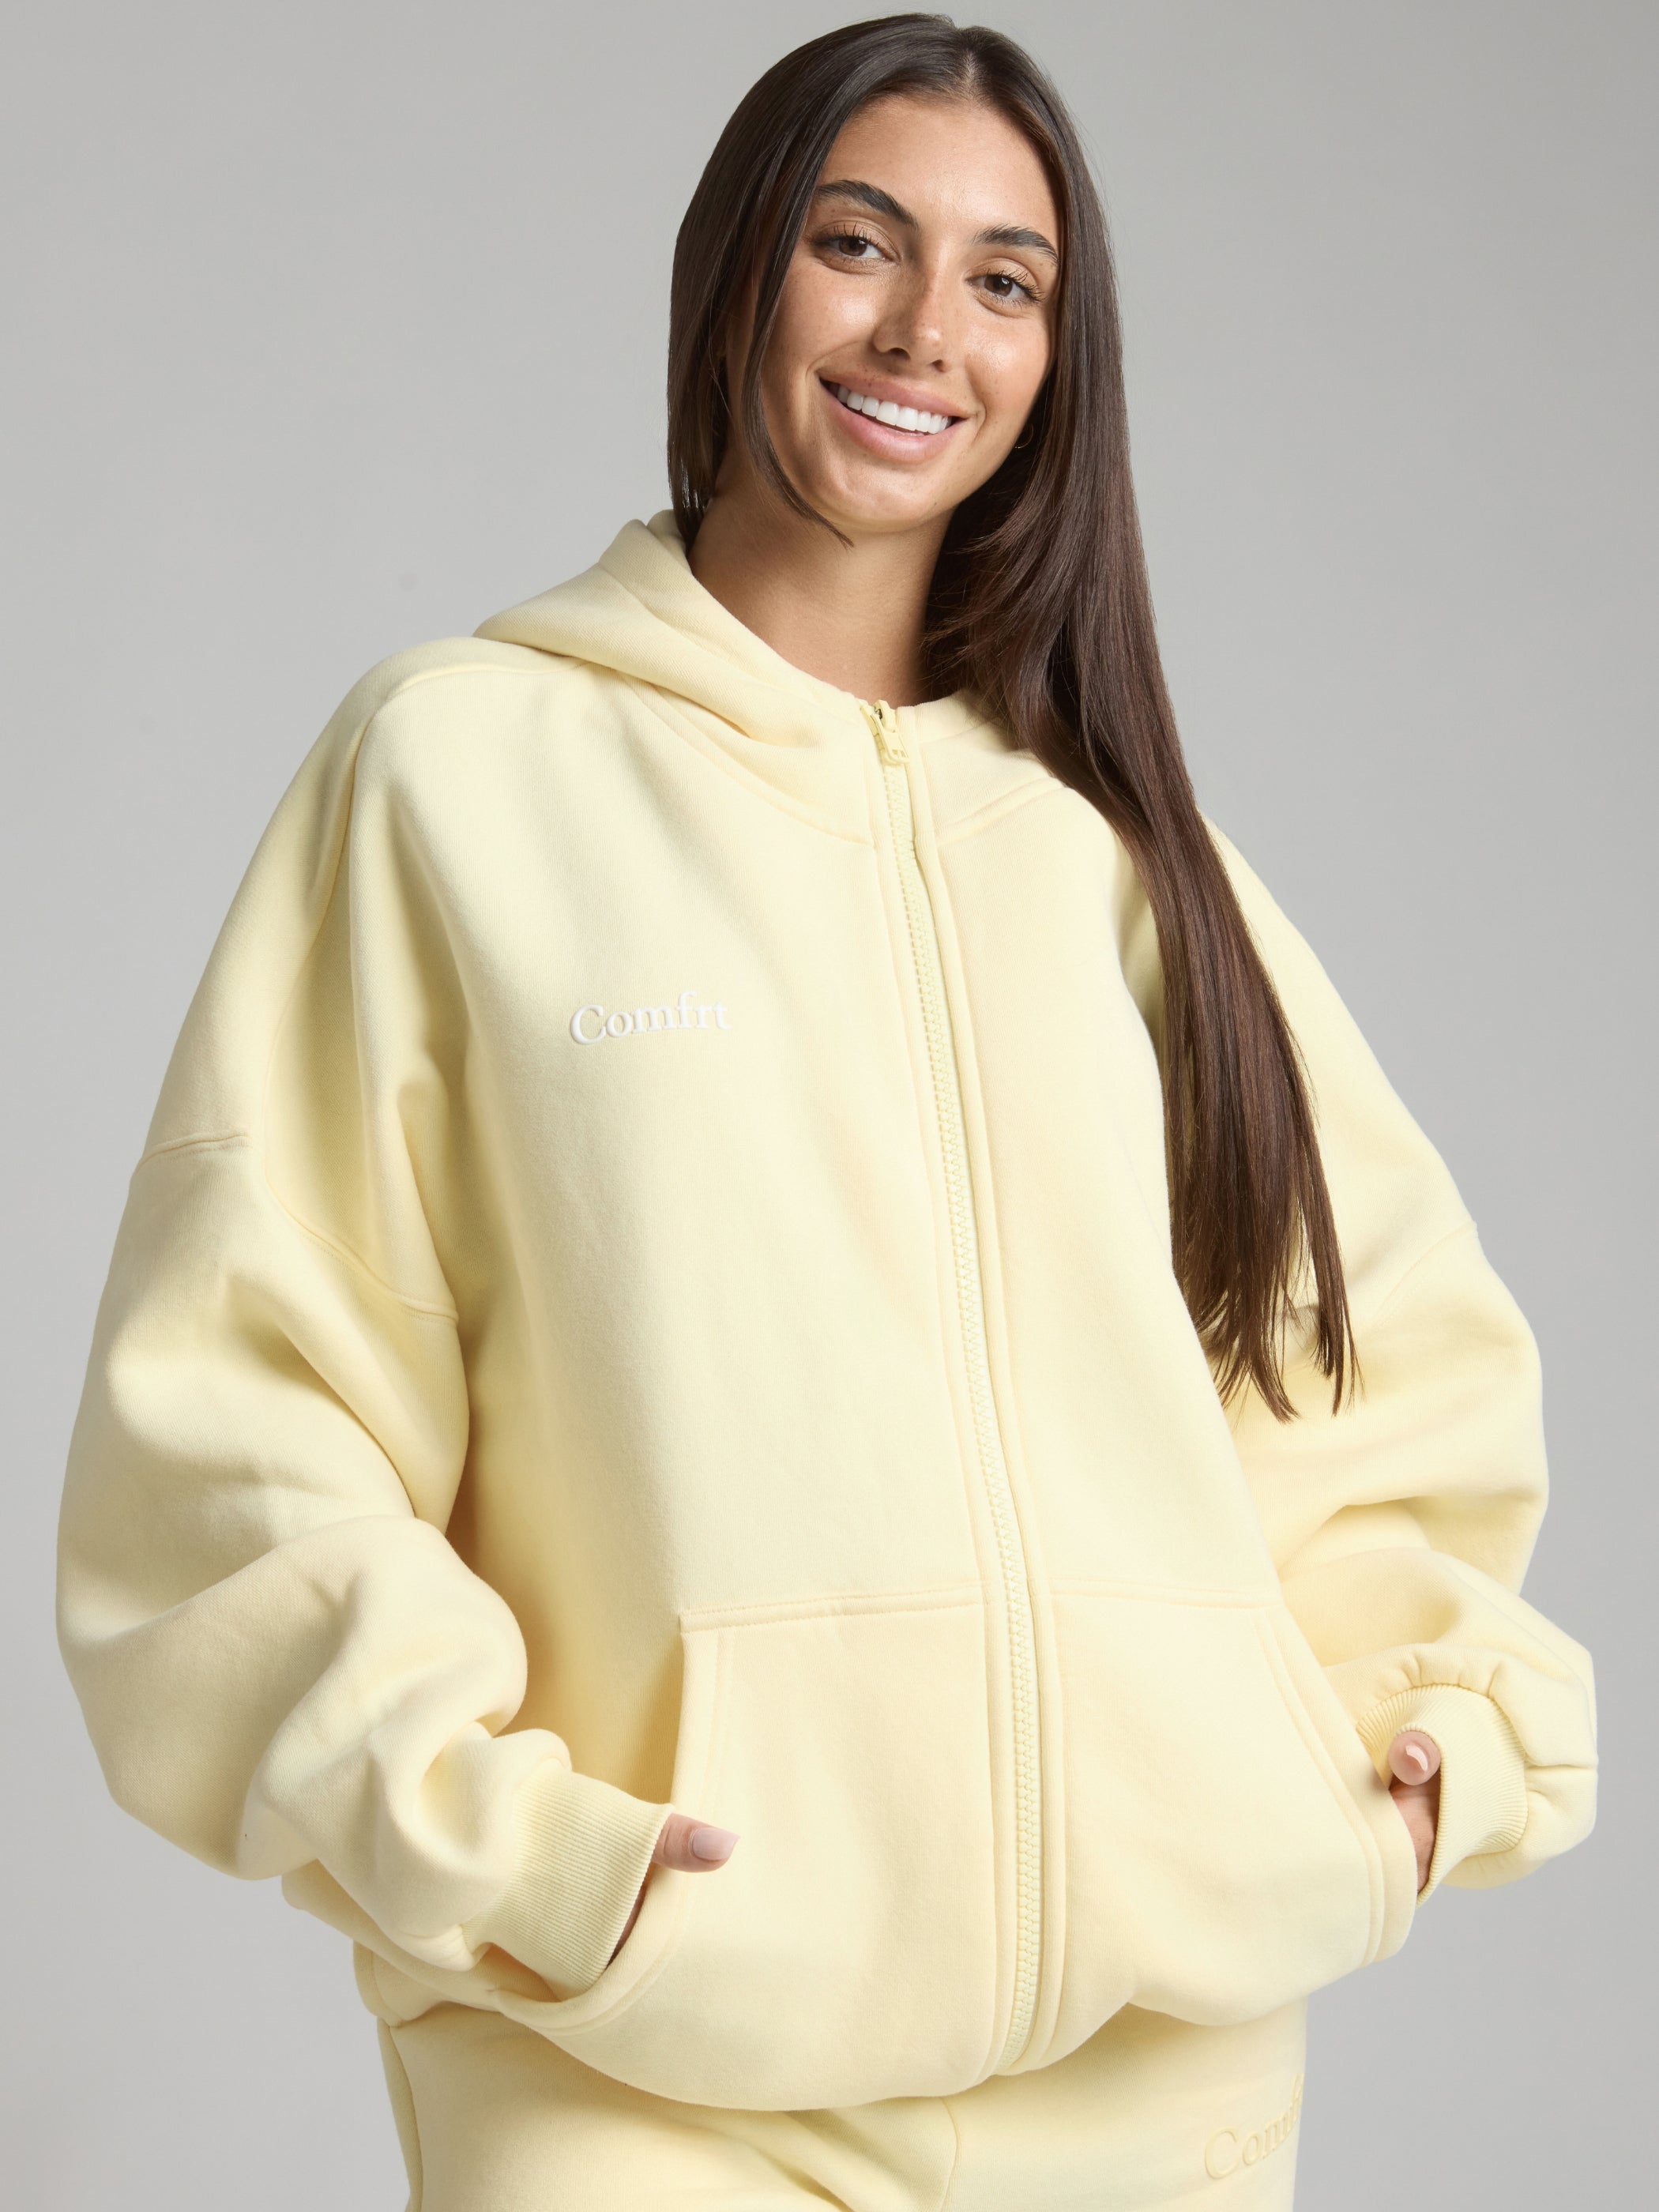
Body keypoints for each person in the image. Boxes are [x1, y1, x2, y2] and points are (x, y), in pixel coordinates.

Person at [57, 14, 1597, 2209]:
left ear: (1057, 356)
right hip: (640, 2053)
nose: (921, 331)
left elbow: (1376, 1377)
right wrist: (527, 1860)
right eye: (856, 243)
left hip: (1160, 2077)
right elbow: (239, 1421)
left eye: (1003, 279)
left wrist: (1407, 1760)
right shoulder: (456, 772)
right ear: (737, 276)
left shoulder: (1124, 858)